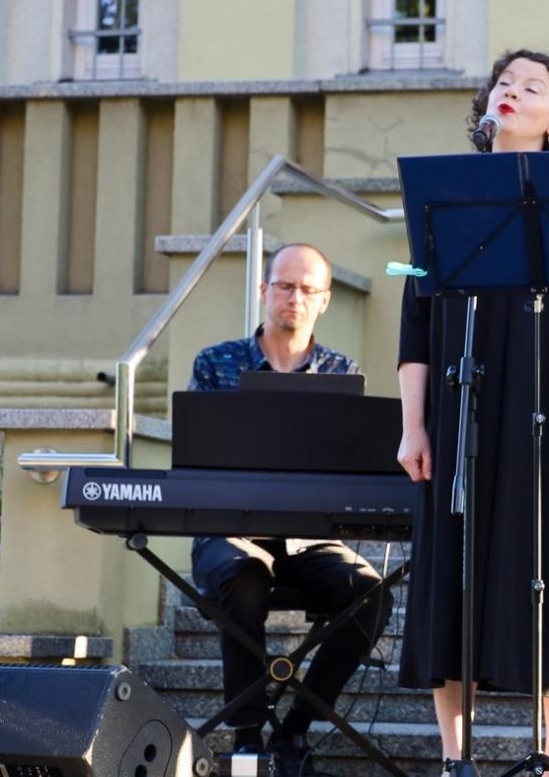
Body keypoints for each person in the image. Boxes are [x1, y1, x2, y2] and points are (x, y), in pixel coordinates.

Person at [395, 49, 549, 771]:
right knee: (451, 578)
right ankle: (455, 758)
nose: (511, 91)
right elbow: (416, 323)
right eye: (504, 82)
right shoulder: (445, 195)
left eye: (532, 87)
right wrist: (413, 426)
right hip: (459, 412)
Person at [190, 242, 393, 776]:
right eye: (284, 286)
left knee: (371, 594)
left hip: (310, 537)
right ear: (263, 291)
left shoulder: (341, 371)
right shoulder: (215, 364)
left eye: (307, 289)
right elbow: (197, 460)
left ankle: (294, 729)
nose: (294, 298)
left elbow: (347, 471)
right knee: (245, 577)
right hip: (229, 531)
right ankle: (247, 740)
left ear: (325, 300)